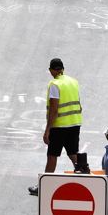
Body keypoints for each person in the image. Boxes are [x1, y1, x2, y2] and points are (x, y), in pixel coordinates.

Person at [29, 59, 82, 195]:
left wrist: (47, 130)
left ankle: (45, 185)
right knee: (73, 153)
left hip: (59, 126)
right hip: (75, 123)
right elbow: (79, 106)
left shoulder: (55, 84)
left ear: (50, 70)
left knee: (52, 155)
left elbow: (54, 109)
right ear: (63, 69)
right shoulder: (73, 82)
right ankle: (86, 179)